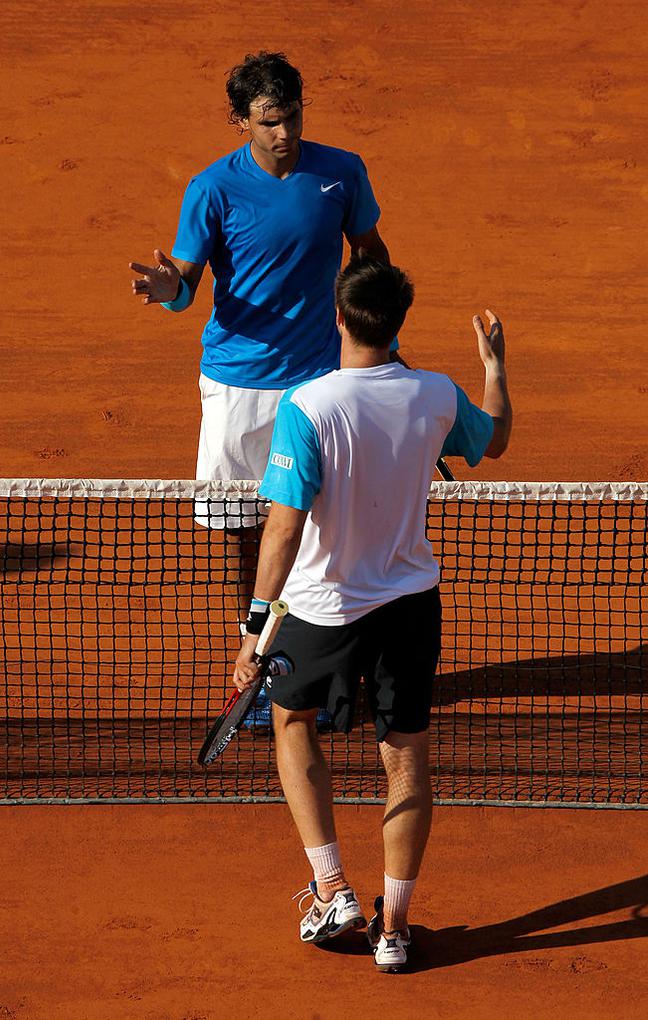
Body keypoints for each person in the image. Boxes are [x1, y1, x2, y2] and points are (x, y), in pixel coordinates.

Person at [233, 255, 512, 972]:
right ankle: (395, 930)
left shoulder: (309, 406)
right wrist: (493, 365)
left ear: (339, 316)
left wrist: (256, 622)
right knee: (407, 762)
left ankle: (332, 889)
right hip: (410, 608)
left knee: (293, 723)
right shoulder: (437, 394)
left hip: (324, 610)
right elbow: (496, 437)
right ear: (397, 323)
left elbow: (285, 528)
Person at [129, 51, 390, 626]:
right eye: (270, 120)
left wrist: (373, 332)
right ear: (240, 122)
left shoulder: (341, 172)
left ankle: (327, 648)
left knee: (327, 524)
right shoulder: (212, 188)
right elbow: (185, 288)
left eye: (293, 116)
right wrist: (170, 285)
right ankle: (255, 653)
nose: (285, 133)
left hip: (321, 381)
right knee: (238, 529)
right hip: (237, 383)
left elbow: (371, 253)